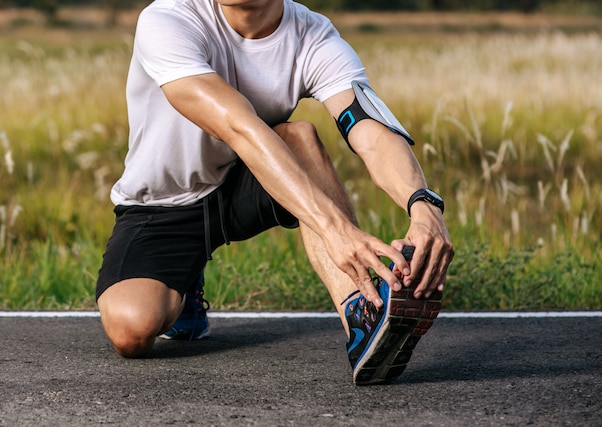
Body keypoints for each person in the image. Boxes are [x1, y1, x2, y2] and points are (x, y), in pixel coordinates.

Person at [96, 0, 454, 386]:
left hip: (248, 181)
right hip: (164, 204)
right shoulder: (168, 18)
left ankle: (362, 308)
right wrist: (335, 228)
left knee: (299, 137)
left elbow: (369, 129)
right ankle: (185, 284)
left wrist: (424, 206)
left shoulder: (312, 35)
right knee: (132, 331)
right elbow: (237, 126)